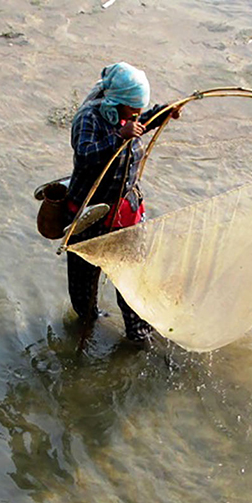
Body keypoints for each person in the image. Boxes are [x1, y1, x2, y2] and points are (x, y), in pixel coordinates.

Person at [64, 62, 180, 343]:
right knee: (83, 284)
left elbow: (140, 124)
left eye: (141, 109)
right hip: (90, 216)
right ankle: (87, 321)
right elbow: (85, 155)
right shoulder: (89, 118)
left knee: (132, 281)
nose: (137, 114)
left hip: (125, 214)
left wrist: (163, 113)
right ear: (117, 102)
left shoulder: (128, 116)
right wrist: (118, 137)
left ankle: (138, 335)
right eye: (133, 109)